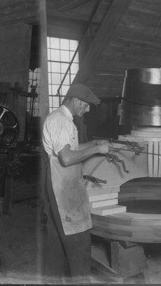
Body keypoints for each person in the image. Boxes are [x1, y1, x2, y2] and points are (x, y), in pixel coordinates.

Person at [41, 84, 111, 282]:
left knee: (55, 241)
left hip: (62, 185)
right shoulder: (61, 121)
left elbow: (72, 148)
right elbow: (67, 158)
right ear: (76, 101)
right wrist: (98, 151)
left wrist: (95, 144)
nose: (87, 109)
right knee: (79, 242)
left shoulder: (62, 119)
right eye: (86, 105)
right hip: (62, 188)